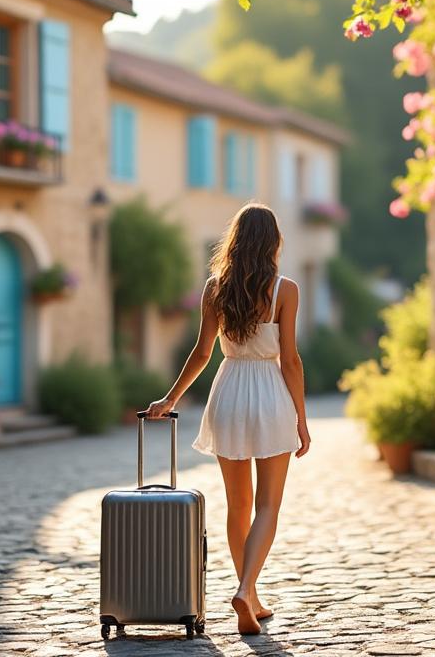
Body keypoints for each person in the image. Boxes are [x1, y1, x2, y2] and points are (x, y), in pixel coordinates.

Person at [146, 203, 312, 636]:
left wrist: (169, 397)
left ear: (235, 241)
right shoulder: (285, 290)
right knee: (268, 506)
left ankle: (250, 596)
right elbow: (290, 360)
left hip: (229, 394)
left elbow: (202, 353)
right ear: (273, 242)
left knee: (237, 505)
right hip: (271, 396)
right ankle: (246, 589)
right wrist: (302, 418)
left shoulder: (215, 288)